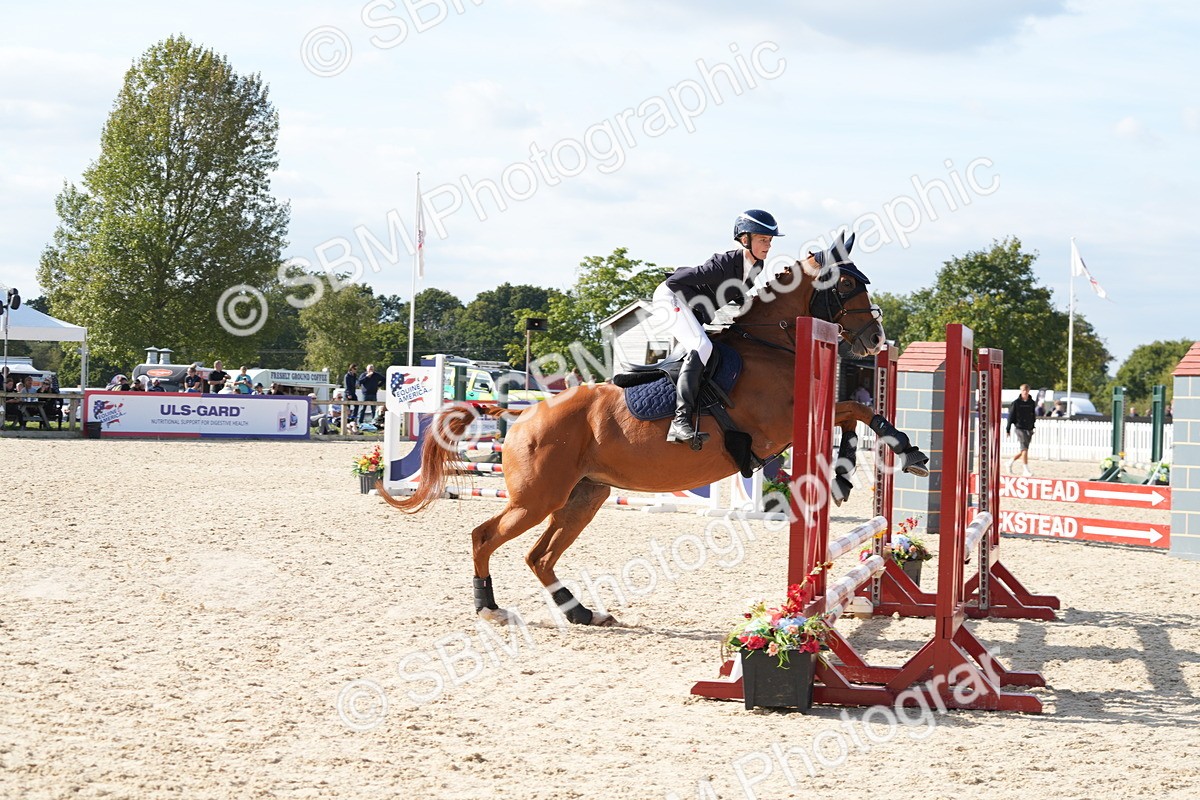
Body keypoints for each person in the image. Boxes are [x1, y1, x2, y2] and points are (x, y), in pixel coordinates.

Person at [652, 209, 784, 445]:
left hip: (688, 306)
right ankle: (679, 422)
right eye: (763, 239)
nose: (768, 245)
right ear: (745, 240)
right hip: (669, 298)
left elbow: (735, 290)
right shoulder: (723, 263)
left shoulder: (756, 266)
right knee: (701, 346)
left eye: (770, 240)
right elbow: (674, 282)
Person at [1006, 384, 1037, 476]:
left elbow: (1033, 415)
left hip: (1029, 428)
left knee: (1024, 450)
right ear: (1021, 391)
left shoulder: (1031, 402)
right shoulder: (1016, 403)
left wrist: (1032, 426)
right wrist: (1008, 428)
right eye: (1023, 390)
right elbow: (1011, 416)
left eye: (1027, 390)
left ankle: (1010, 462)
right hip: (1019, 427)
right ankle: (1025, 469)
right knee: (1024, 449)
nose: (1025, 392)